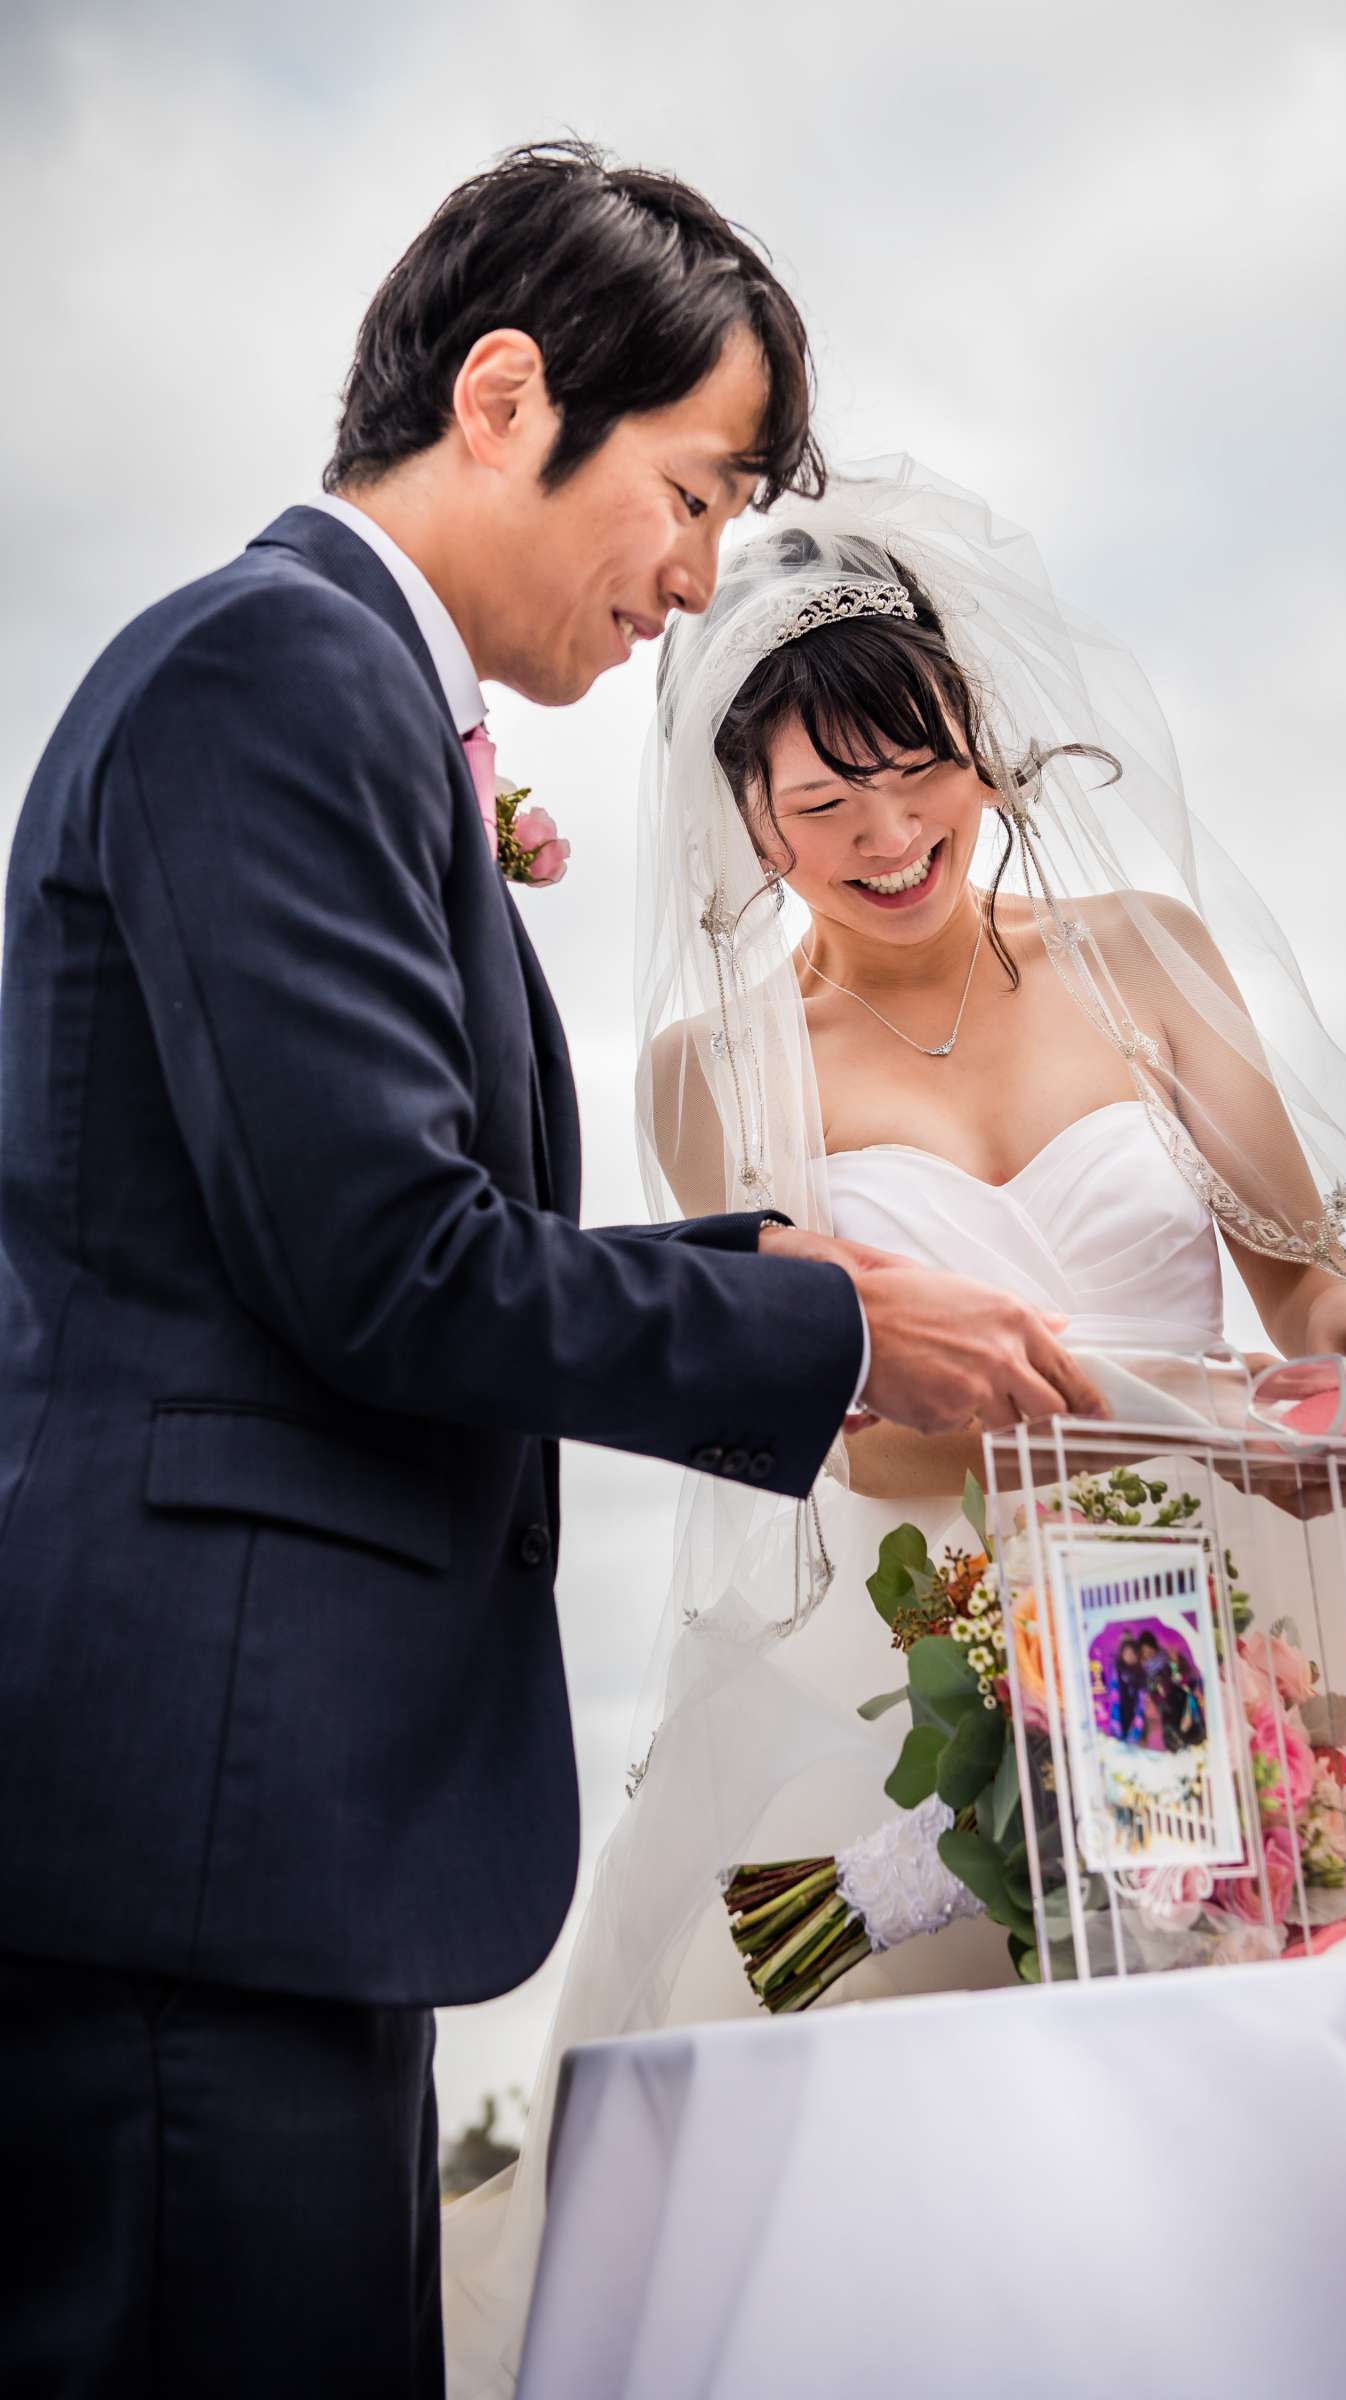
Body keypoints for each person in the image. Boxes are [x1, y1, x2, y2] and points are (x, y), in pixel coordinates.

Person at [0, 157, 1091, 2400]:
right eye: (689, 495)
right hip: (203, 1836)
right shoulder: (269, 676)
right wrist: (849, 1321)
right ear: (505, 398)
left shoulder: (341, 695)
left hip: (275, 1838)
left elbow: (369, 1231)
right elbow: (390, 1266)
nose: (697, 582)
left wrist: (763, 1267)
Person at [441, 458, 1346, 2390]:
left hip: (1268, 1619)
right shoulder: (716, 1068)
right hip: (952, 1655)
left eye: (914, 769)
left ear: (984, 754)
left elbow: (1299, 1275)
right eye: (822, 801)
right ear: (749, 826)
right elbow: (855, 1432)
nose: (885, 830)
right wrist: (1122, 1415)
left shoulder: (1145, 955)